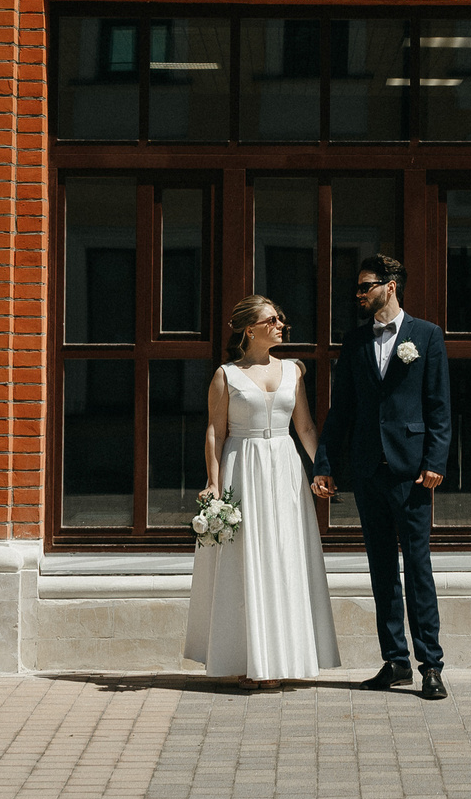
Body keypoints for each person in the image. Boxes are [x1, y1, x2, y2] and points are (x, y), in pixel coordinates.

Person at [312, 254, 453, 700]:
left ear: (390, 287)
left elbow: (439, 406)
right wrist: (325, 463)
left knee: (418, 569)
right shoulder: (354, 342)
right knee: (380, 570)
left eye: (364, 287)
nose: (358, 295)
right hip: (368, 470)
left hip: (413, 472)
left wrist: (436, 460)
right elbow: (342, 411)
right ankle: (395, 661)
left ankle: (430, 665)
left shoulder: (426, 336)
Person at [186, 295, 340, 687]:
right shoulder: (227, 375)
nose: (281, 325)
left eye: (281, 319)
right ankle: (244, 659)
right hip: (243, 467)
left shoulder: (293, 371)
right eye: (272, 320)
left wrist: (320, 467)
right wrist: (213, 482)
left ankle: (282, 659)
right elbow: (215, 432)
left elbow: (304, 427)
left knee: (284, 557)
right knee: (244, 562)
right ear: (249, 329)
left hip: (284, 468)